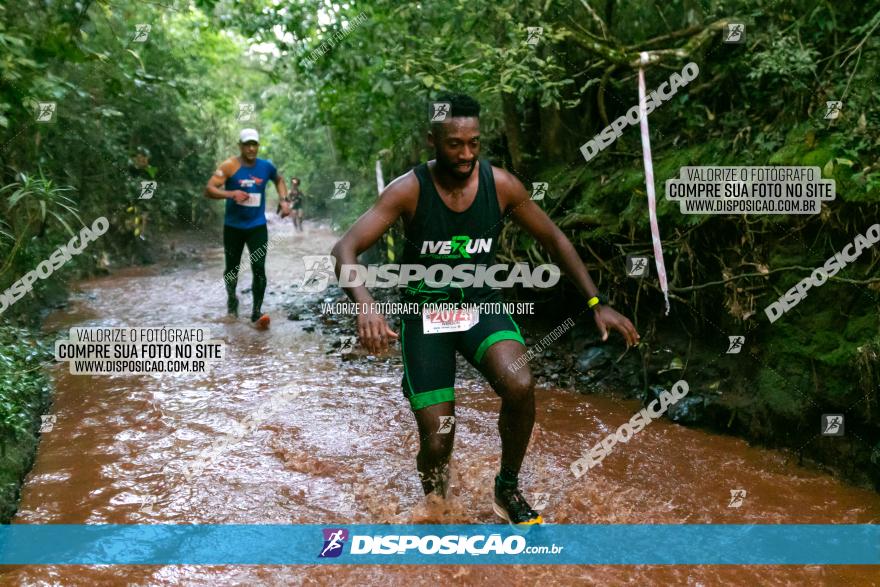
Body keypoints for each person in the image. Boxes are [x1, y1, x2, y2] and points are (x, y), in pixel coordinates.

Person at [330, 94, 640, 524]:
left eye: (474, 143)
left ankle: (507, 490)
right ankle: (438, 509)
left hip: (480, 307)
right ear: (432, 140)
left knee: (519, 383)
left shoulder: (503, 186)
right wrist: (366, 306)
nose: (466, 154)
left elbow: (555, 240)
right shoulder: (407, 190)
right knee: (439, 439)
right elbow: (345, 248)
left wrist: (595, 302)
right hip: (426, 317)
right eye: (455, 144)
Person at [204, 128, 289, 329]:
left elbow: (279, 179)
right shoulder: (229, 166)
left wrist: (284, 201)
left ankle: (256, 313)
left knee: (259, 268)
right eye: (247, 144)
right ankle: (232, 304)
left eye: (254, 144)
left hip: (257, 226)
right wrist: (231, 193)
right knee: (232, 268)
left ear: (258, 146)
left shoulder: (266, 166)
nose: (251, 148)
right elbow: (209, 189)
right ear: (240, 146)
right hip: (233, 227)